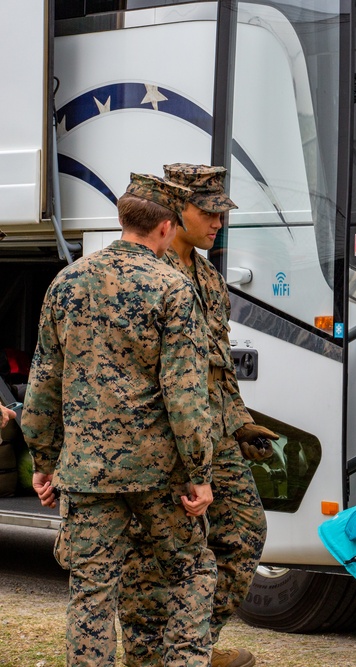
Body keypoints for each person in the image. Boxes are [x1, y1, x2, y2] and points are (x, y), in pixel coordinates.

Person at [22, 173, 217, 667]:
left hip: (86, 472)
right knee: (191, 572)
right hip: (159, 473)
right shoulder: (172, 288)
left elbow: (43, 384)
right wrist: (199, 473)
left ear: (123, 220)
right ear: (167, 228)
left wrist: (44, 462)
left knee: (91, 593)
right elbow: (185, 394)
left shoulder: (65, 282)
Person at [118, 164, 272, 667]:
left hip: (212, 433)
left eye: (221, 213)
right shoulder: (151, 274)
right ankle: (151, 655)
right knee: (150, 557)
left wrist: (239, 420)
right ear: (174, 212)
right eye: (208, 212)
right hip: (161, 437)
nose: (218, 223)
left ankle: (190, 647)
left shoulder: (207, 275)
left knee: (245, 531)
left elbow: (217, 363)